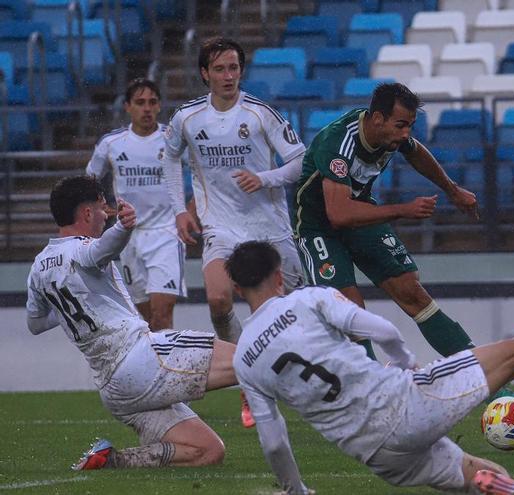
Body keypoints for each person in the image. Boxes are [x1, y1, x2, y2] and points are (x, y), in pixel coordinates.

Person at [228, 240, 514, 494]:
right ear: (278, 274)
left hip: (372, 453)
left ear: (238, 288)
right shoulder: (306, 299)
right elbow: (381, 329)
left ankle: (511, 489)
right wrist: (406, 367)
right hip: (401, 406)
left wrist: (296, 491)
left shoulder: (245, 355)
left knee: (481, 474)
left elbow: (273, 441)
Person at [291, 82, 514, 402]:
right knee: (350, 310)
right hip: (319, 229)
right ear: (377, 119)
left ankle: (485, 383)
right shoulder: (337, 143)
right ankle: (371, 394)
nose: (406, 133)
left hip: (361, 215)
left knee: (412, 291)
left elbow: (417, 152)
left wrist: (452, 189)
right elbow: (337, 214)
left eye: (410, 125)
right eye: (401, 125)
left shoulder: (391, 137)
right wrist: (404, 210)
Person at [25, 175, 238, 470]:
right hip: (138, 358)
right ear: (86, 213)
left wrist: (71, 306)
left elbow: (35, 323)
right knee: (250, 359)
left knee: (209, 451)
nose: (105, 215)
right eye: (102, 208)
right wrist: (125, 227)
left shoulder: (39, 266)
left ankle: (113, 461)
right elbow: (99, 251)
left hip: (114, 390)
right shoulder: (81, 248)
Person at [162, 37, 307, 426]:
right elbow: (169, 158)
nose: (229, 76)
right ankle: (249, 378)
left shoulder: (260, 113)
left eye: (234, 68)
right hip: (220, 227)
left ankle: (319, 380)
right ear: (205, 74)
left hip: (269, 228)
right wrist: (180, 210)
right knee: (217, 299)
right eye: (220, 69)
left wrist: (265, 178)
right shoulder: (187, 118)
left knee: (295, 311)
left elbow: (300, 160)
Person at [86, 78, 186, 331]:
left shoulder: (172, 139)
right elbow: (90, 181)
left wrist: (191, 210)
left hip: (166, 234)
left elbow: (203, 173)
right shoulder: (112, 143)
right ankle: (156, 368)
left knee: (163, 317)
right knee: (148, 322)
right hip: (129, 237)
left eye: (152, 102)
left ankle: (169, 371)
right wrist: (102, 208)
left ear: (160, 106)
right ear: (128, 107)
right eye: (140, 103)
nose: (147, 108)